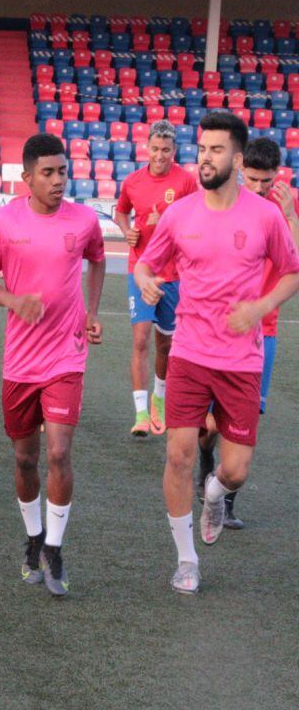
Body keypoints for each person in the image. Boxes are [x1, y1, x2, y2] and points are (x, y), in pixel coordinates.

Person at [134, 112, 299, 594]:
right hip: (189, 352)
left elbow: (291, 271)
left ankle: (217, 494)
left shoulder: (265, 216)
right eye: (203, 149)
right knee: (179, 455)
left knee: (235, 469)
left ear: (238, 157)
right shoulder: (181, 213)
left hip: (242, 360)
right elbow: (148, 263)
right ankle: (186, 560)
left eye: (217, 150)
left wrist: (261, 307)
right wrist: (145, 280)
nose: (206, 157)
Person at [0, 133, 105, 597]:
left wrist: (91, 312)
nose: (57, 180)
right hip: (20, 362)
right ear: (26, 178)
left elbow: (98, 261)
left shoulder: (85, 220)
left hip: (66, 356)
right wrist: (14, 301)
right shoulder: (6, 223)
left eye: (62, 171)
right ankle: (32, 537)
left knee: (58, 453)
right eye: (47, 173)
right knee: (25, 457)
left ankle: (54, 546)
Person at [195, 137, 299, 529]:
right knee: (209, 426)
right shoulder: (223, 200)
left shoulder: (283, 208)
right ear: (240, 169)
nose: (259, 188)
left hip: (262, 331)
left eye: (266, 181)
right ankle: (205, 461)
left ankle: (225, 501)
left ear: (277, 176)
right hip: (215, 326)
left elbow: (294, 265)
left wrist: (290, 215)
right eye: (253, 179)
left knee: (246, 420)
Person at [113, 120, 198, 436]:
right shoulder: (133, 182)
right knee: (139, 339)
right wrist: (127, 231)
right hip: (141, 270)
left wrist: (167, 222)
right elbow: (121, 212)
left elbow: (196, 222)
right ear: (147, 148)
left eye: (166, 150)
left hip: (173, 276)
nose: (160, 155)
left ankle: (158, 401)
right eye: (155, 149)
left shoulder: (187, 182)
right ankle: (139, 415)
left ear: (174, 151)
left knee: (166, 344)